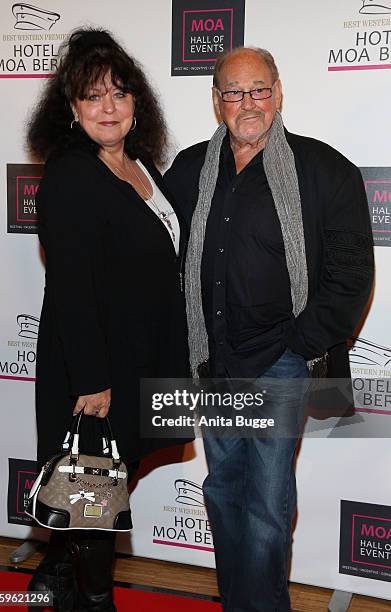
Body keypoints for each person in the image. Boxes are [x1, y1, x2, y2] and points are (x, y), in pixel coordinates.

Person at [164, 47, 374, 611]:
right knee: (223, 492)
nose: (247, 103)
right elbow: (152, 242)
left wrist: (299, 346)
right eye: (233, 92)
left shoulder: (324, 170)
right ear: (216, 101)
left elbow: (352, 272)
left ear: (278, 94)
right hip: (213, 362)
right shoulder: (189, 171)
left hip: (277, 365)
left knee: (266, 506)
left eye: (259, 90)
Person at [27, 28, 189, 611]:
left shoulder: (140, 165)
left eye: (120, 94)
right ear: (69, 109)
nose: (109, 107)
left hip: (141, 356)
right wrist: (93, 379)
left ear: (136, 103)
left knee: (106, 480)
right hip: (94, 369)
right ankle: (96, 600)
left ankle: (57, 578)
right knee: (92, 492)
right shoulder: (72, 174)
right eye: (93, 96)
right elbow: (69, 284)